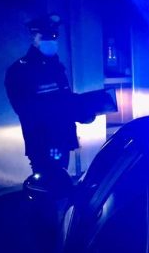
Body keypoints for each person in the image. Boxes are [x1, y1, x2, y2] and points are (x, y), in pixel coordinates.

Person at [5, 14, 92, 175]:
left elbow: (64, 98)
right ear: (34, 38)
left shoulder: (56, 66)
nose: (51, 41)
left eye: (54, 36)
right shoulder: (20, 70)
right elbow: (25, 109)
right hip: (42, 141)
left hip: (62, 135)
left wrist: (85, 109)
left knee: (61, 177)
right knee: (46, 182)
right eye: (45, 37)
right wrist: (65, 110)